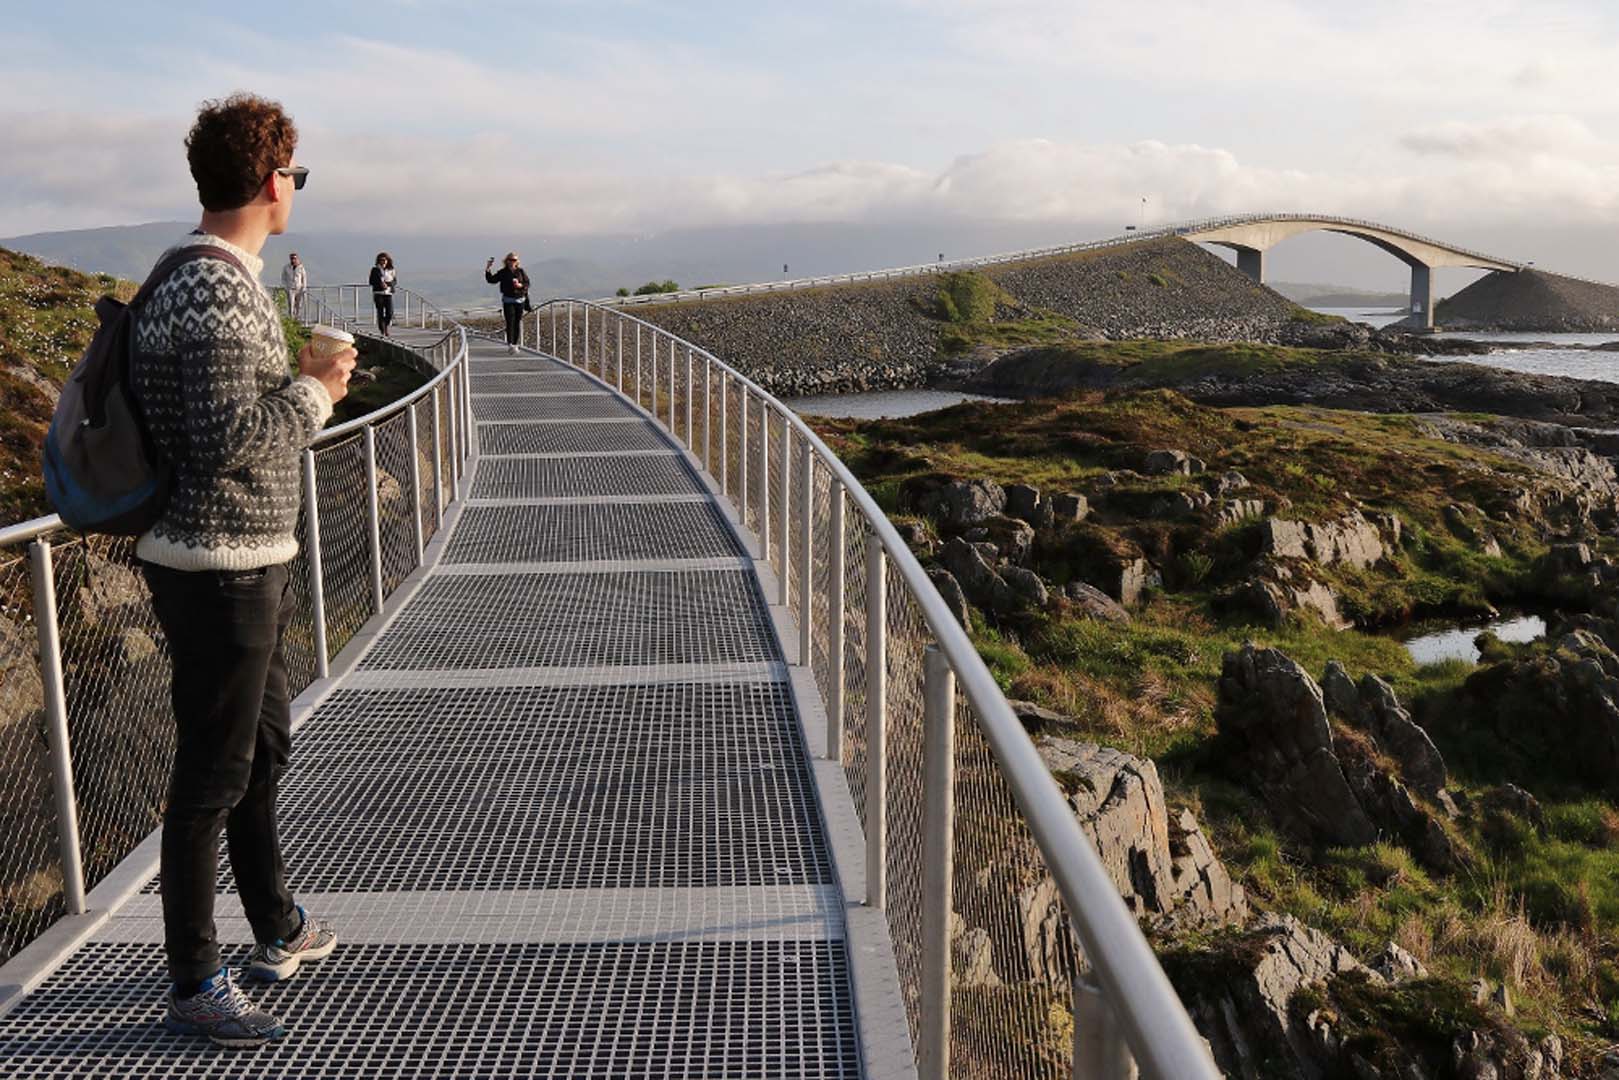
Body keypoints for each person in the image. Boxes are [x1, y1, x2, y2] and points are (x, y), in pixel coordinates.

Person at [130, 92, 354, 1048]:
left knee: (260, 751)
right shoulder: (218, 289)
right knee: (212, 775)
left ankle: (277, 925)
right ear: (272, 183)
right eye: (292, 176)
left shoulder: (196, 276)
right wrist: (317, 388)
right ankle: (193, 978)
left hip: (229, 557)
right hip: (220, 564)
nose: (291, 189)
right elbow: (227, 439)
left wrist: (295, 376)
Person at [484, 251, 531, 354]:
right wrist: (488, 268)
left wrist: (520, 286)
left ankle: (515, 344)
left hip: (520, 300)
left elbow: (527, 283)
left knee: (517, 322)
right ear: (506, 261)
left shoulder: (520, 271)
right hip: (508, 300)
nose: (512, 262)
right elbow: (492, 280)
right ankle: (510, 344)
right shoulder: (503, 272)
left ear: (517, 261)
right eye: (510, 260)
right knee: (510, 322)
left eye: (514, 260)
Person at [368, 252, 396, 337]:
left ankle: (386, 325)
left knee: (390, 312)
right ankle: (383, 330)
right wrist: (380, 284)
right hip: (378, 293)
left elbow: (394, 281)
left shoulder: (391, 270)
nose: (383, 261)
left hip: (388, 293)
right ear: (378, 261)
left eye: (385, 260)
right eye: (381, 260)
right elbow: (371, 281)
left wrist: (387, 284)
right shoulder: (375, 270)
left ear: (388, 260)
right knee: (380, 312)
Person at [279, 252, 306, 319]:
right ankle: (291, 318)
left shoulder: (301, 267)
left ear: (297, 258)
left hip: (299, 288)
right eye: (292, 258)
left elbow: (304, 277)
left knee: (298, 305)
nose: (293, 260)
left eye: (294, 258)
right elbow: (283, 278)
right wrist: (285, 287)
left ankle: (297, 318)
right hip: (290, 288)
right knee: (291, 304)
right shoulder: (286, 268)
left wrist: (304, 287)